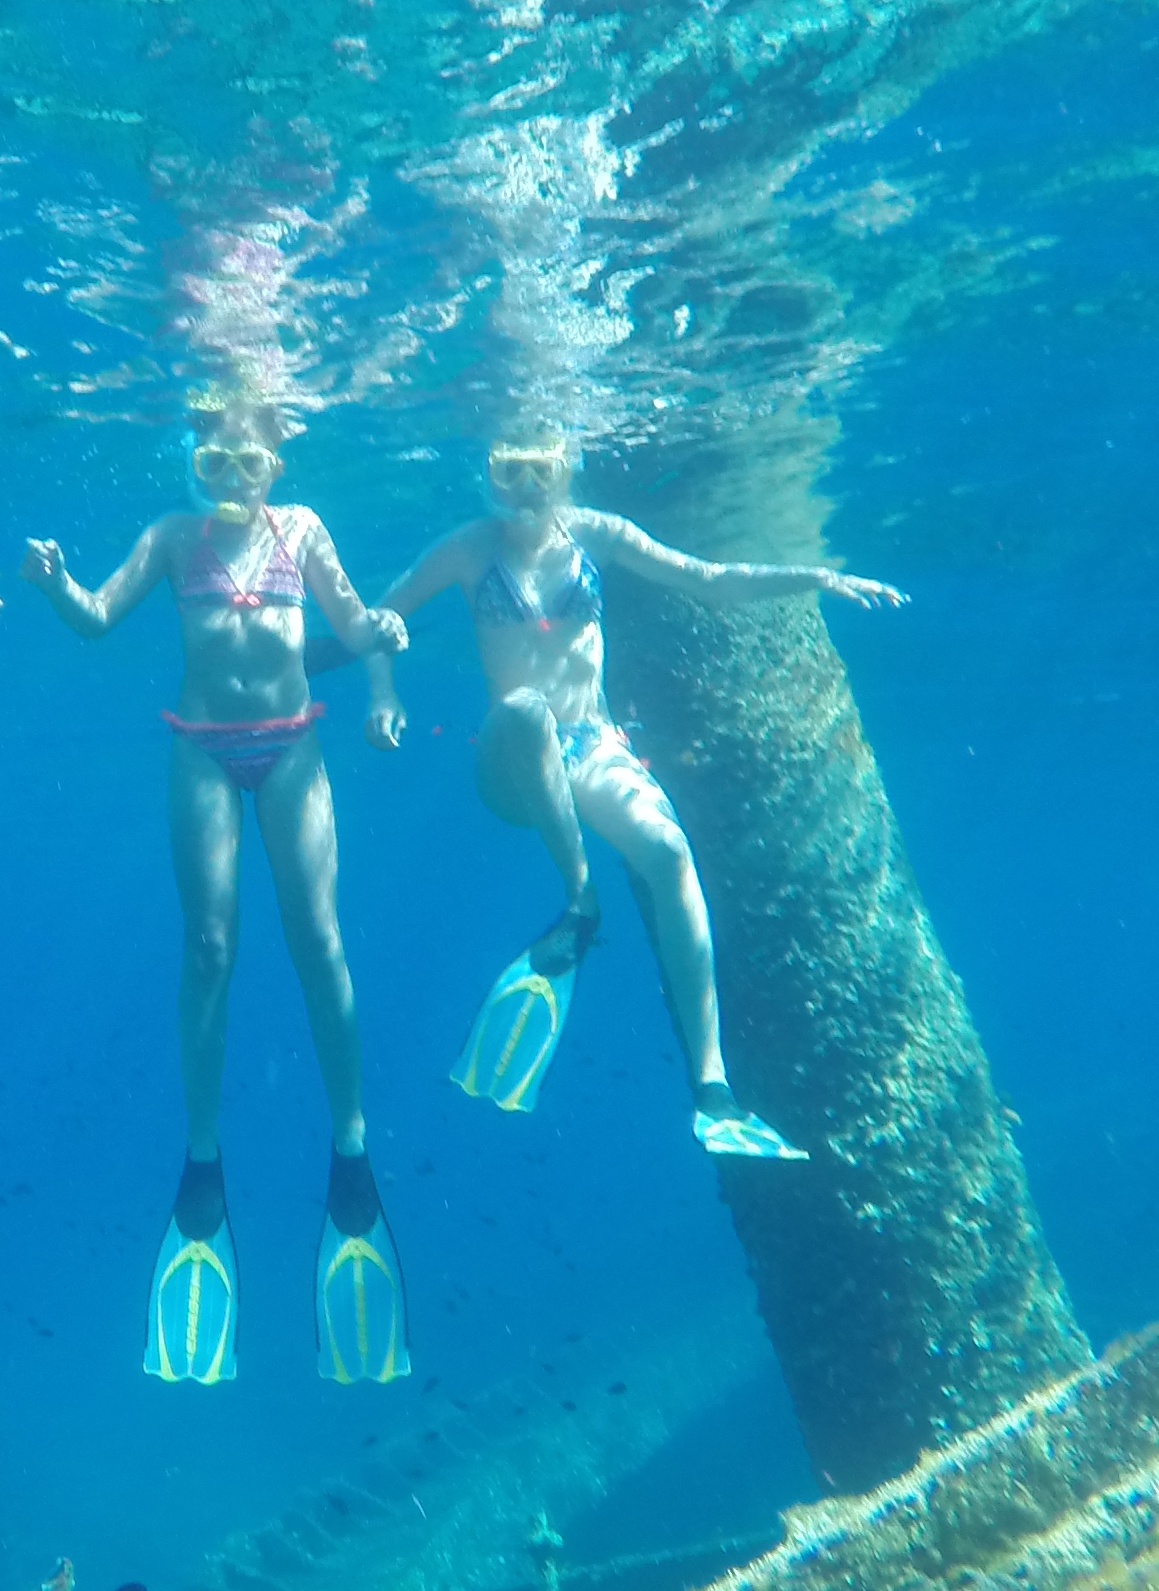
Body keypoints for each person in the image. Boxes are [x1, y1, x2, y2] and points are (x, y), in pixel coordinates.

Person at [363, 434, 901, 1159]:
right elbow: (379, 619)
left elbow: (708, 578)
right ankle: (580, 899)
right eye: (507, 471)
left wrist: (813, 577)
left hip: (592, 750)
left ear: (565, 472)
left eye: (539, 472)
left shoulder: (600, 536)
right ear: (488, 475)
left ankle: (714, 1091)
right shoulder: (467, 547)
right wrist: (382, 694)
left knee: (671, 853)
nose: (523, 487)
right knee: (526, 710)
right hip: (511, 761)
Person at [23, 407, 415, 1388]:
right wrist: (56, 582)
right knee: (208, 947)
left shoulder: (305, 528)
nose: (235, 474)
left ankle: (351, 1144)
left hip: (291, 746)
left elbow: (353, 617)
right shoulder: (169, 535)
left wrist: (381, 656)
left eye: (251, 458)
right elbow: (96, 617)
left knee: (318, 941)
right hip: (200, 749)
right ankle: (202, 1161)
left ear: (275, 461)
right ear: (195, 460)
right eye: (215, 457)